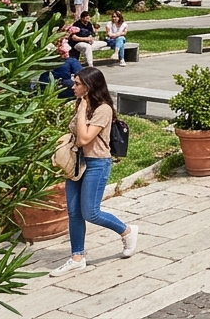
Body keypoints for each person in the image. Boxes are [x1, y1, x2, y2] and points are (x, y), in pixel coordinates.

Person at [49, 67, 138, 276]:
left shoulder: (103, 109)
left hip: (97, 163)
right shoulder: (81, 103)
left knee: (91, 212)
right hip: (77, 163)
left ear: (89, 87)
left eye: (77, 83)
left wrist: (81, 111)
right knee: (73, 212)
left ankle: (126, 231)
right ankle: (77, 257)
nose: (73, 86)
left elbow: (84, 139)